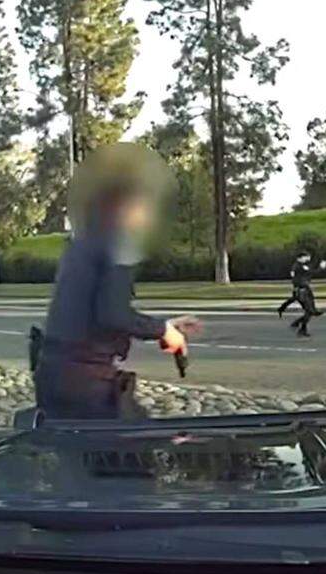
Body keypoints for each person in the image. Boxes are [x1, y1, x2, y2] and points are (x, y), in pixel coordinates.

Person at [34, 143, 202, 420]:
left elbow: (91, 313)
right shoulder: (119, 241)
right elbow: (112, 314)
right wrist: (163, 331)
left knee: (75, 459)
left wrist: (163, 327)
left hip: (52, 377)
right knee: (134, 452)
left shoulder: (83, 240)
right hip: (86, 385)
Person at [278, 251, 326, 337]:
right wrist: (321, 267)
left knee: (310, 311)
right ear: (300, 258)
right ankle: (300, 327)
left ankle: (299, 325)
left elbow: (307, 273)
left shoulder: (298, 266)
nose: (308, 258)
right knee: (309, 311)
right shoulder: (299, 266)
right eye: (306, 257)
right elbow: (312, 272)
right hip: (302, 290)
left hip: (304, 289)